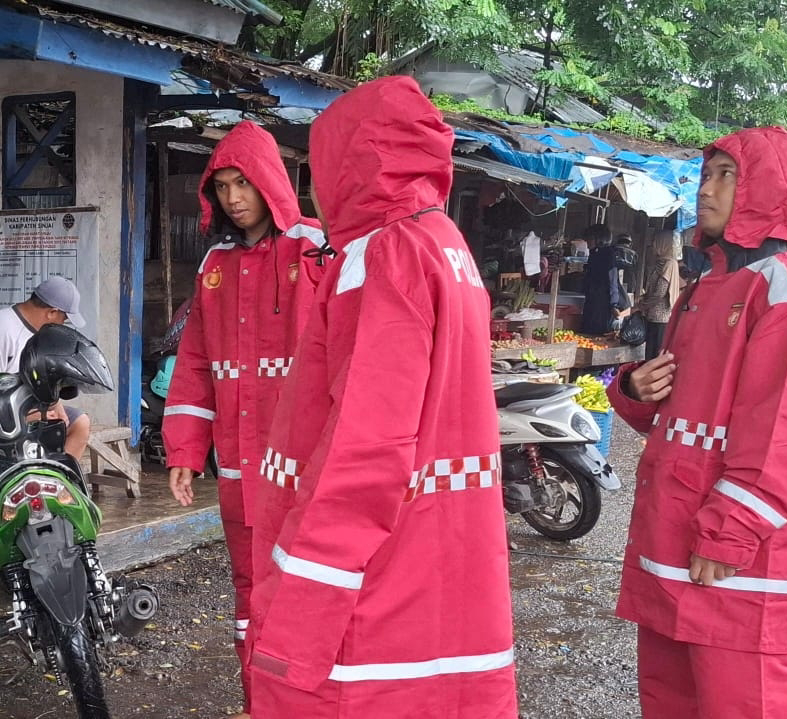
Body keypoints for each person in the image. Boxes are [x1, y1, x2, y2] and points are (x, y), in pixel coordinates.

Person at [246, 76, 518, 717]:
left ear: (352, 161)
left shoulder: (382, 254)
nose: (315, 188)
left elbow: (367, 445)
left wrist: (301, 603)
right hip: (435, 561)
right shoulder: (442, 242)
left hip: (373, 574)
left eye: (320, 165)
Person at [610, 127, 787, 718]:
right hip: (674, 544)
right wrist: (634, 390)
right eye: (706, 174)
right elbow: (686, 416)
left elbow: (782, 433)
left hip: (739, 563)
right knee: (669, 703)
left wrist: (730, 531)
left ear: (767, 188)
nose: (705, 190)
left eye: (726, 176)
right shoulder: (706, 287)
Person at [160, 120, 327, 717]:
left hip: (306, 465)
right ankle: (260, 703)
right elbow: (195, 363)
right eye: (222, 185)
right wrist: (184, 451)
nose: (233, 198)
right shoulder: (216, 263)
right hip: (238, 466)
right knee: (250, 590)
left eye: (244, 183)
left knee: (309, 589)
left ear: (270, 182)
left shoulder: (315, 248)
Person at [0, 276, 91, 459]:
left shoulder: (42, 335)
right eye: (64, 319)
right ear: (52, 312)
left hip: (22, 410)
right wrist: (26, 416)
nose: (62, 324)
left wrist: (54, 403)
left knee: (79, 424)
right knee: (24, 441)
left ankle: (58, 476)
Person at [579, 224, 633, 335]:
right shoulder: (595, 254)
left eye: (590, 238)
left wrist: (614, 304)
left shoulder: (608, 255)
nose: (587, 241)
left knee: (598, 332)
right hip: (593, 299)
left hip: (603, 302)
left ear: (599, 240)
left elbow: (612, 281)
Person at [635, 233, 682, 360]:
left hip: (661, 318)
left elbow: (660, 293)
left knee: (655, 355)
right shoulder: (658, 263)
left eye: (655, 242)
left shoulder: (669, 264)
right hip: (651, 316)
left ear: (663, 244)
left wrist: (642, 306)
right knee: (648, 355)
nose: (653, 246)